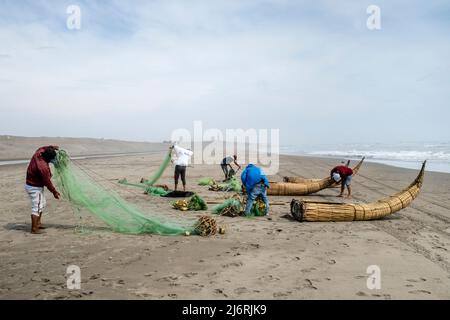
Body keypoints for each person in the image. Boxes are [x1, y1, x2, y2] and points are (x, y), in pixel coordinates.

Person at [25, 145, 61, 234]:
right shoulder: (43, 167)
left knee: (42, 203)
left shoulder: (39, 153)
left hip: (34, 185)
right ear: (48, 159)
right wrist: (54, 192)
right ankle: (34, 229)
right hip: (34, 187)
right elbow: (47, 182)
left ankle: (38, 223)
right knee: (36, 207)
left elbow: (42, 148)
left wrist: (52, 146)